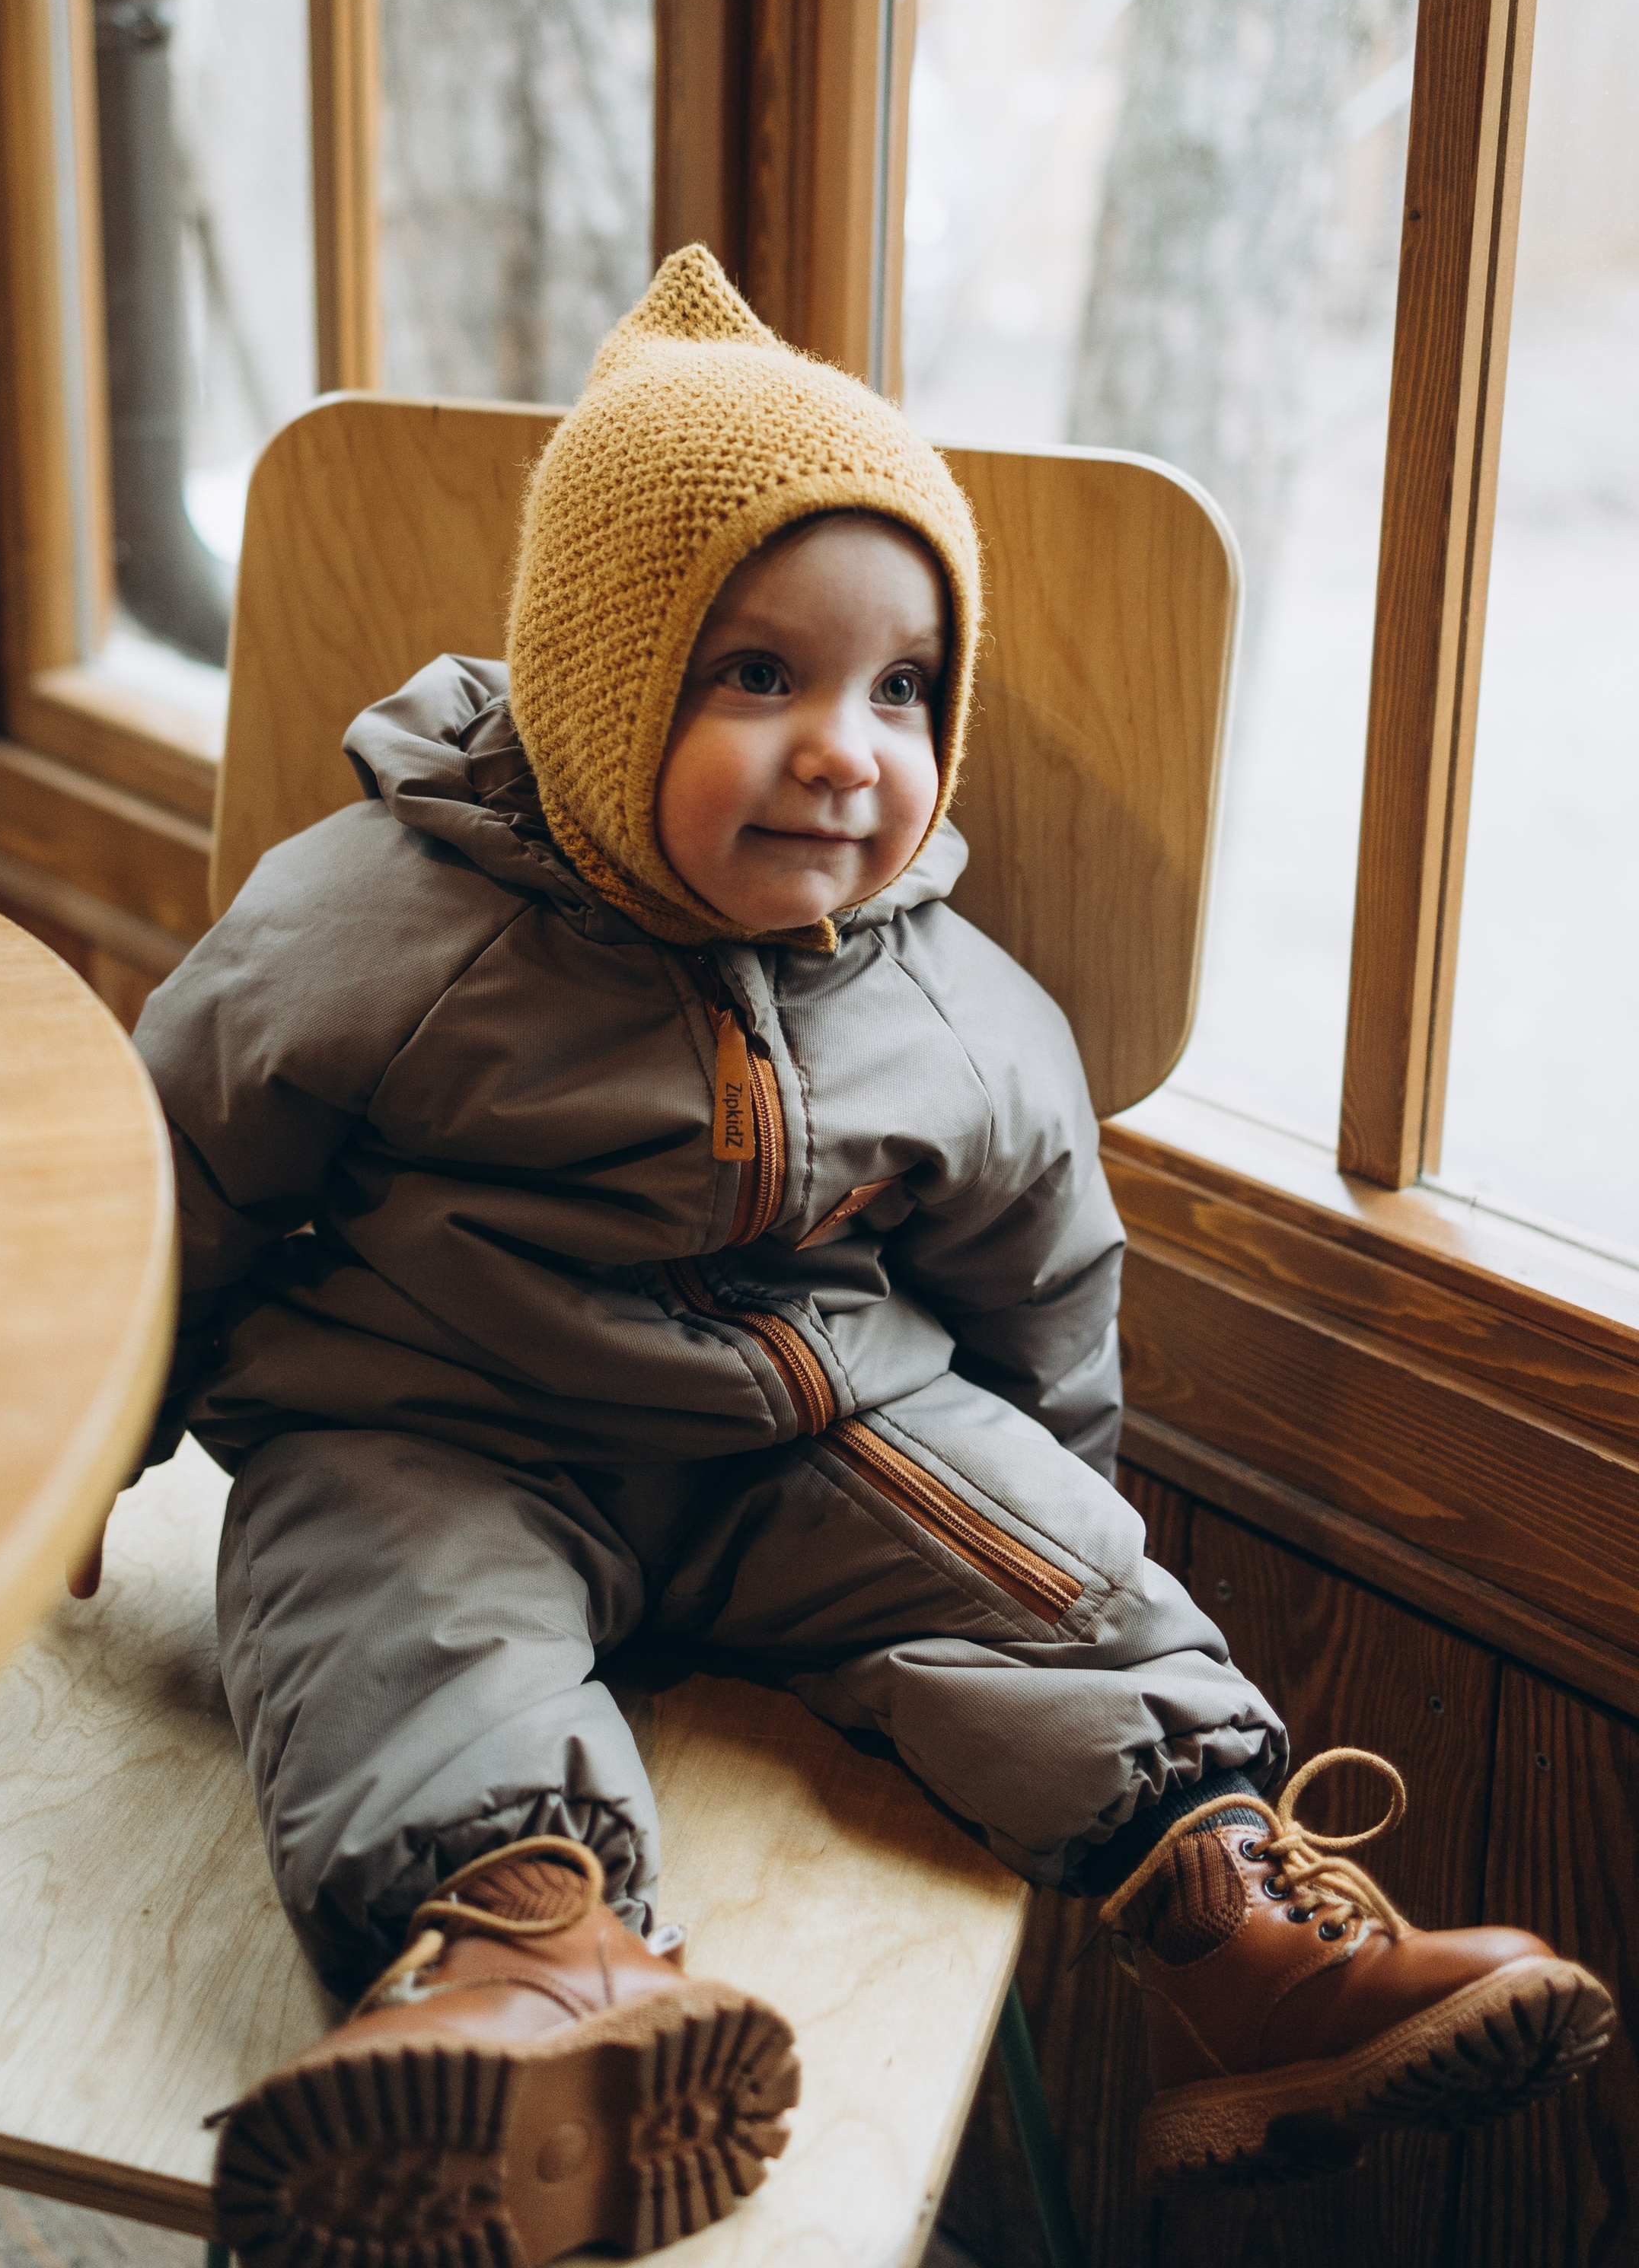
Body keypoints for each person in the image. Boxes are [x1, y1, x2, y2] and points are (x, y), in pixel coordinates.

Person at [113, 248, 1611, 2265]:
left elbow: (1042, 1279)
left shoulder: (963, 1004)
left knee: (1053, 1568)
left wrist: (1051, 1491)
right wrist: (97, 1450)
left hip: (810, 1446)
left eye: (902, 688)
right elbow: (176, 1168)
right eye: (761, 676)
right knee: (390, 1607)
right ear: (596, 678)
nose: (848, 748)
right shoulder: (373, 918)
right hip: (441, 1422)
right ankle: (523, 1966)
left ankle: (1240, 1937)